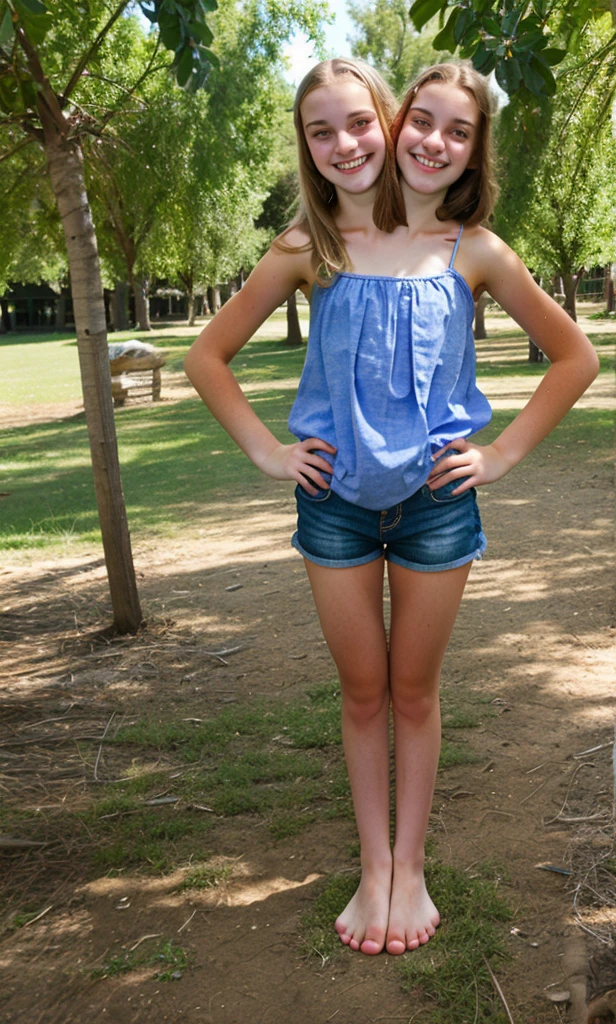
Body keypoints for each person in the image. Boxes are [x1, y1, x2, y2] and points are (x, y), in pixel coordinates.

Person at [184, 58, 599, 957]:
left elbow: (575, 358)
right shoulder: (309, 246)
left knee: (414, 691)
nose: (354, 144)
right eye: (321, 132)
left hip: (435, 507)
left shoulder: (474, 250)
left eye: (457, 132)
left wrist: (498, 454)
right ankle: (372, 866)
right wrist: (268, 449)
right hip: (333, 506)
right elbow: (206, 357)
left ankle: (410, 869)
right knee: (363, 693)